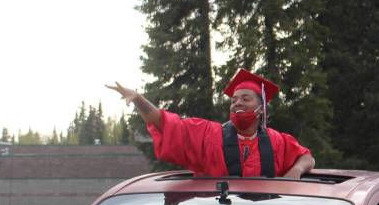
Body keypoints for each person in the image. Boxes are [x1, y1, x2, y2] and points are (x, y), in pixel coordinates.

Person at [107, 69, 315, 178]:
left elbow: (306, 158)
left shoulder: (277, 141)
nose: (237, 103)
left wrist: (296, 170)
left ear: (261, 109)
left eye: (245, 99)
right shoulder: (208, 134)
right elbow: (164, 122)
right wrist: (138, 99)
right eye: (233, 100)